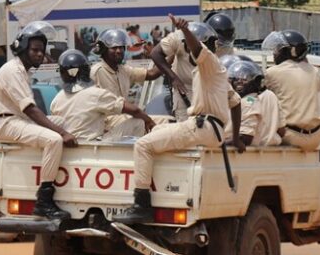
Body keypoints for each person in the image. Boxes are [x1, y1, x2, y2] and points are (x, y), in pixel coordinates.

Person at [114, 14, 246, 224]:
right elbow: (235, 102)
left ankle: (141, 204)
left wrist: (184, 30)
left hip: (203, 125)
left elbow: (197, 49)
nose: (187, 50)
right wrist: (236, 138)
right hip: (211, 129)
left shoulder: (209, 61)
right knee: (156, 131)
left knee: (142, 145)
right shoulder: (210, 71)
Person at [0, 21, 77, 221]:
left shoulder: (23, 70)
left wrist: (61, 128)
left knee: (61, 121)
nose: (39, 54)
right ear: (23, 48)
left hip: (15, 119)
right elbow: (31, 110)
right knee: (54, 139)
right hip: (5, 123)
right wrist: (62, 133)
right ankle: (44, 201)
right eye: (35, 50)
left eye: (42, 51)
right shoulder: (13, 71)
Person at [50, 49, 155, 140]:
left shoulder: (56, 99)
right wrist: (149, 121)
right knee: (138, 121)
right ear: (86, 70)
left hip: (70, 146)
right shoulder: (95, 94)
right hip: (94, 146)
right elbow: (134, 110)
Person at [90, 29, 169, 133]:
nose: (119, 51)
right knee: (142, 122)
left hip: (122, 119)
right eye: (114, 48)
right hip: (105, 124)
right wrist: (145, 118)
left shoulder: (123, 70)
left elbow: (151, 74)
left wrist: (173, 54)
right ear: (103, 50)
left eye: (121, 47)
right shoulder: (97, 71)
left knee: (166, 121)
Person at [152, 20, 235, 120]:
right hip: (184, 92)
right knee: (184, 125)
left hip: (209, 93)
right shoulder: (177, 39)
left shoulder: (216, 49)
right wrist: (173, 78)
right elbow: (155, 54)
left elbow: (235, 100)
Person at [261, 30, 320, 151]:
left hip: (291, 136)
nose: (274, 54)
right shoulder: (315, 72)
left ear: (291, 51)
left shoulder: (273, 72)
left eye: (278, 50)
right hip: (317, 137)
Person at [224, 60, 283, 146]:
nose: (239, 82)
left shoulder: (248, 101)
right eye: (236, 79)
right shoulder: (268, 96)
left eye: (244, 79)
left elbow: (245, 137)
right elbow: (282, 130)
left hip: (245, 151)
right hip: (268, 146)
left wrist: (220, 144)